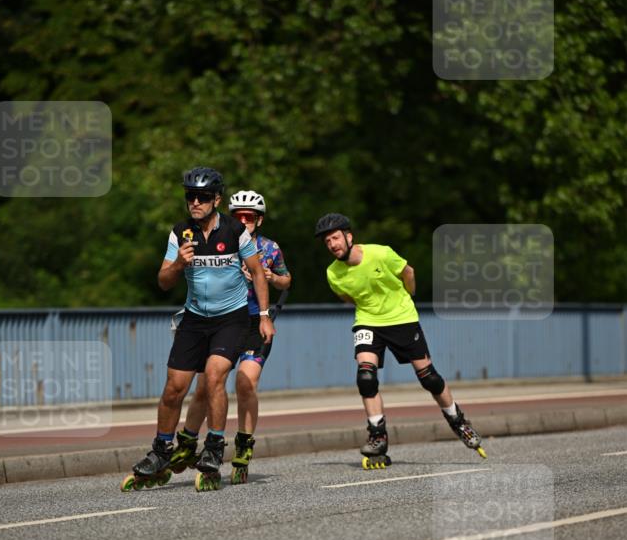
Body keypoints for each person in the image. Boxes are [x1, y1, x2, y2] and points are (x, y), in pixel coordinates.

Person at [121, 167, 275, 492]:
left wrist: (263, 315)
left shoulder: (235, 231)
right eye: (190, 196)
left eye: (202, 197)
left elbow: (258, 273)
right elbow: (163, 281)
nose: (195, 202)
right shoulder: (180, 233)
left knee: (215, 375)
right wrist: (178, 264)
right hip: (194, 318)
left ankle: (214, 448)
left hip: (231, 319)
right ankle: (162, 450)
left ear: (216, 199)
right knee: (174, 388)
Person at [314, 213, 485, 467]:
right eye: (327, 242)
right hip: (368, 321)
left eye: (336, 238)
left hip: (402, 318)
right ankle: (377, 435)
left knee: (430, 378)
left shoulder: (380, 253)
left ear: (349, 237)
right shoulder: (333, 273)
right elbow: (348, 298)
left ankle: (458, 420)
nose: (332, 245)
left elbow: (408, 272)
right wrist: (370, 310)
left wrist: (408, 297)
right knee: (366, 377)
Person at [180, 190, 291, 483]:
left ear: (259, 220)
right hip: (223, 320)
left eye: (250, 217)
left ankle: (243, 443)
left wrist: (272, 278)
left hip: (255, 322)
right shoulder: (221, 240)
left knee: (245, 383)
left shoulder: (270, 248)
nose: (244, 221)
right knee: (206, 383)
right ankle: (187, 441)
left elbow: (286, 279)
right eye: (239, 216)